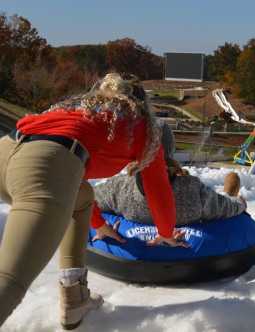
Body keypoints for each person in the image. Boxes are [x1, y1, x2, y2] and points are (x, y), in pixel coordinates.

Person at [0, 73, 184, 330]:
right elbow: (158, 190)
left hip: (7, 150)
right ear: (143, 106)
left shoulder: (79, 108)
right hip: (43, 166)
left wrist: (99, 224)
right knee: (9, 281)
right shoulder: (141, 128)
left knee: (83, 196)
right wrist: (166, 233)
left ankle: (75, 298)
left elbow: (74, 189)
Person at [91, 121, 246, 237]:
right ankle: (231, 192)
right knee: (233, 178)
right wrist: (240, 204)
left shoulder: (121, 188)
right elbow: (224, 207)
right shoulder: (191, 188)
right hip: (192, 245)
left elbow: (89, 199)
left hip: (135, 235)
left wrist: (103, 225)